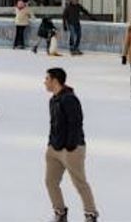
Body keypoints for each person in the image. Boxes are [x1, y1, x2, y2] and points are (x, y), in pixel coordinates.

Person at [44, 67, 98, 222]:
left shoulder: (69, 99)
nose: (44, 82)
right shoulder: (53, 99)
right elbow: (53, 123)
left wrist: (70, 146)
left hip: (71, 149)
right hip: (54, 148)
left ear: (55, 81)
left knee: (79, 183)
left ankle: (91, 214)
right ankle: (60, 212)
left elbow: (76, 123)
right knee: (50, 181)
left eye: (47, 79)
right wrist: (51, 144)